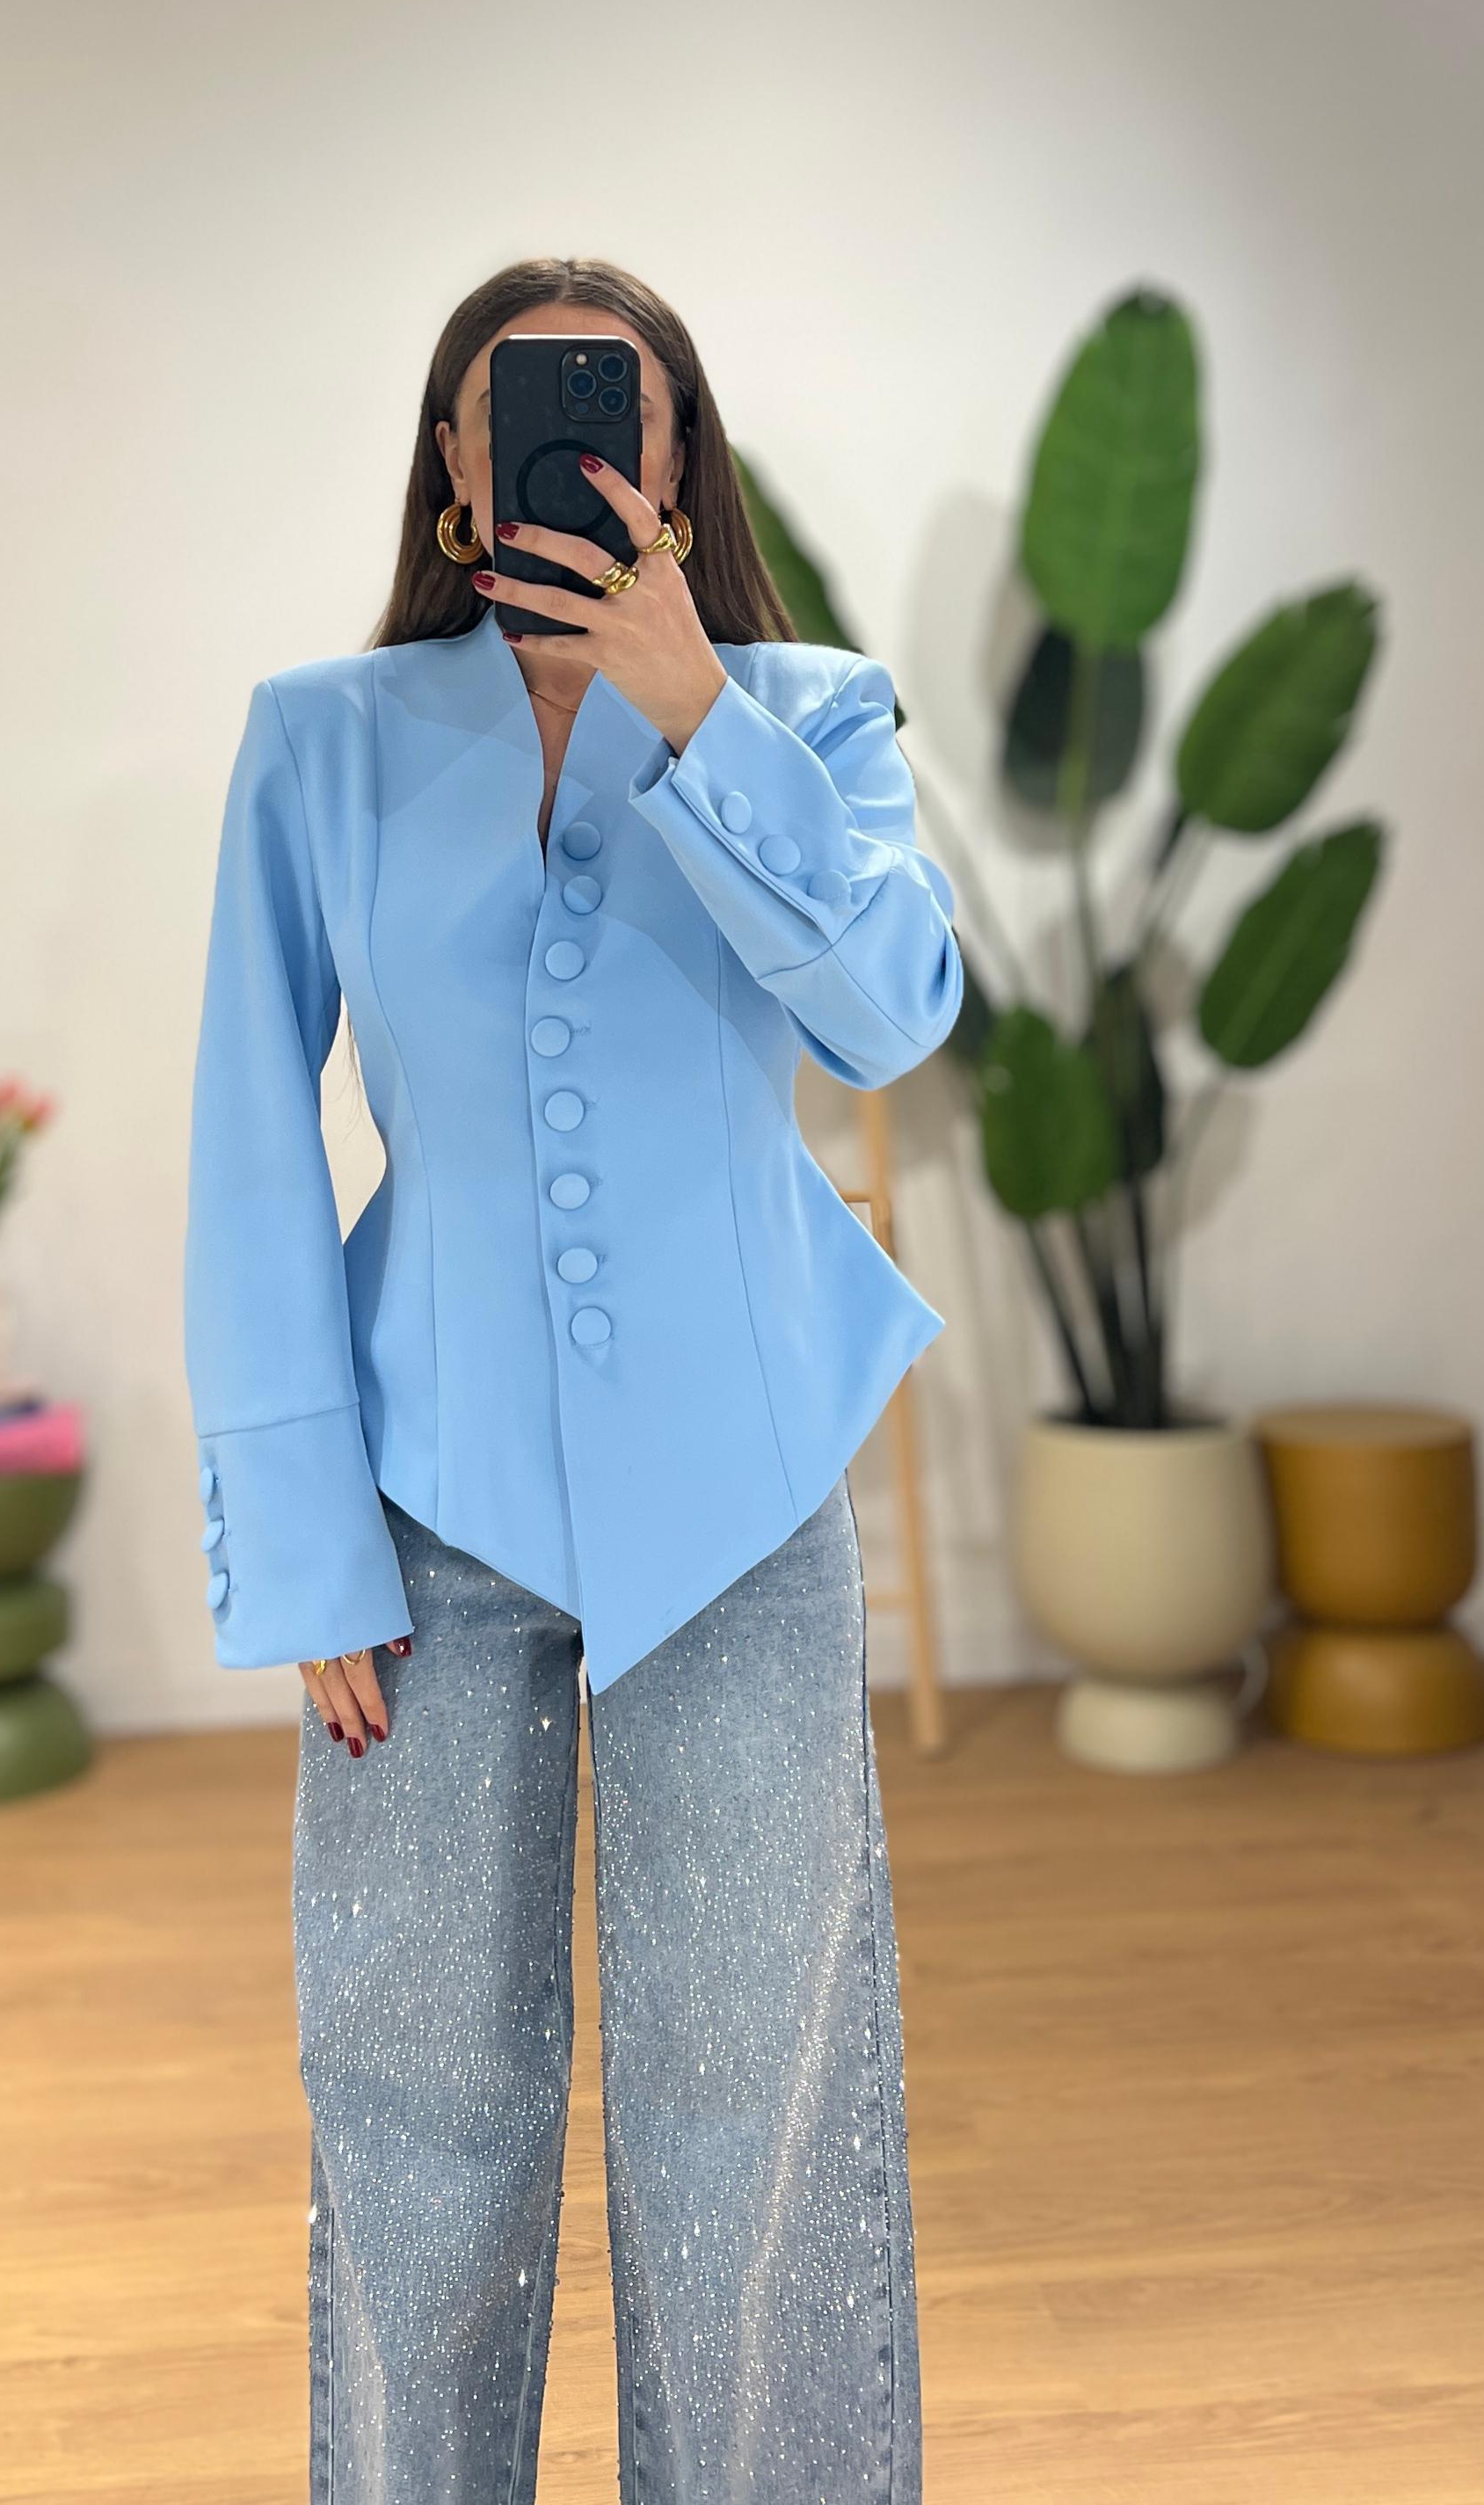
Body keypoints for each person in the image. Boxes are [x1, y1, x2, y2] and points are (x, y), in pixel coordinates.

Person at [183, 256, 962, 2504]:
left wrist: (691, 702)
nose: (562, 437)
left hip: (745, 1501)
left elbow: (893, 1015)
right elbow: (251, 1139)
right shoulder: (321, 739)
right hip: (422, 1514)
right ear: (451, 460)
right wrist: (300, 1542)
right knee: (412, 2104)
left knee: (756, 2124)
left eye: (621, 407)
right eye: (512, 405)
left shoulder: (805, 714)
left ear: (677, 457)